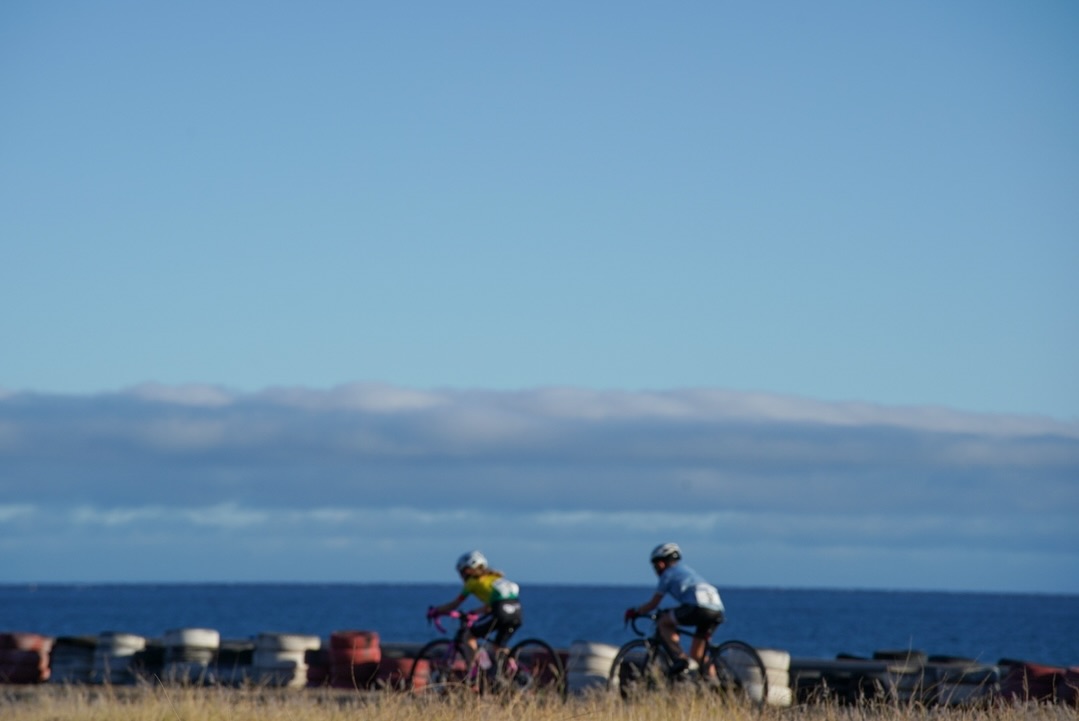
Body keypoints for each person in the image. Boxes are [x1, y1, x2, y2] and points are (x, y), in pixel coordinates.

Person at [624, 542, 725, 675]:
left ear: (660, 564)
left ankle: (680, 659)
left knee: (663, 623)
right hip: (716, 610)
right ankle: (716, 684)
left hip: (698, 608)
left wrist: (635, 611)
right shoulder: (686, 571)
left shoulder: (668, 574)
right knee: (698, 654)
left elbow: (653, 604)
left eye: (655, 566)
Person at [427, 550, 523, 663]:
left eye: (461, 572)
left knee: (469, 636)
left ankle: (471, 672)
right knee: (499, 647)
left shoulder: (472, 583)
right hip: (517, 611)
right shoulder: (494, 578)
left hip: (500, 612)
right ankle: (515, 670)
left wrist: (436, 611)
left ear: (467, 570)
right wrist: (474, 612)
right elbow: (490, 606)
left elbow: (455, 604)